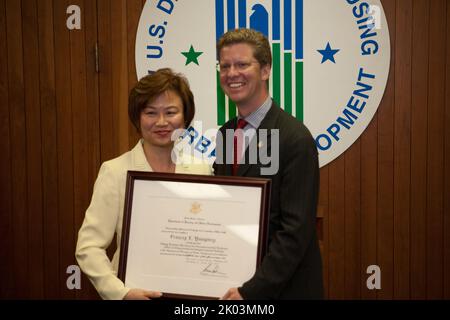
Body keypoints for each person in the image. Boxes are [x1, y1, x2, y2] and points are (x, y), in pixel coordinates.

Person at [76, 68, 212, 300]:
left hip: (191, 297)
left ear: (185, 118)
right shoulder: (115, 171)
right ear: (138, 118)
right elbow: (88, 248)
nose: (161, 122)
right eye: (151, 113)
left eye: (171, 112)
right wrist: (122, 293)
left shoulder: (202, 170)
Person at [213, 29, 323, 299]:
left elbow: (295, 232)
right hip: (238, 284)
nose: (231, 73)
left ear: (265, 70)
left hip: (283, 290)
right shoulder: (226, 134)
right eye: (225, 66)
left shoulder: (295, 138)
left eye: (242, 64)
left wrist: (252, 291)